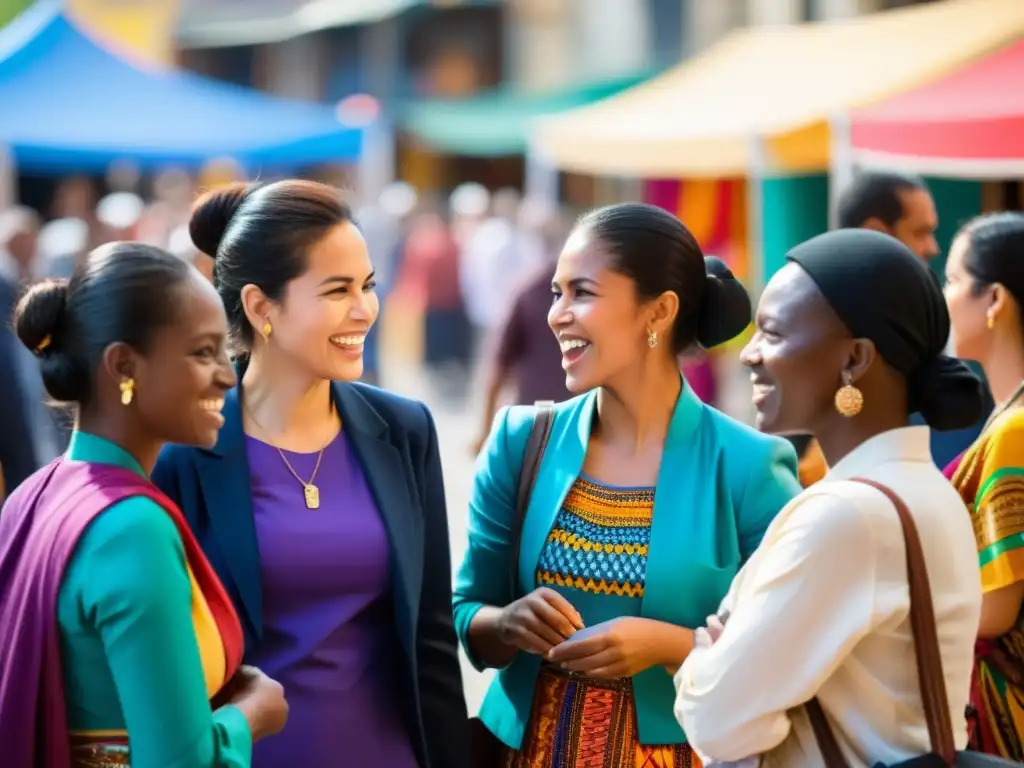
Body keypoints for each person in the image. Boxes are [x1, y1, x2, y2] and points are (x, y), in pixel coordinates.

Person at [454, 202, 802, 766]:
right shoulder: (520, 441)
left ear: (658, 311)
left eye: (582, 293)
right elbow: (468, 611)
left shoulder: (749, 467)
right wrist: (509, 622)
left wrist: (670, 645)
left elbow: (792, 648)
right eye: (555, 292)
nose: (556, 315)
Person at [151, 180, 469, 768]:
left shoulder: (404, 430)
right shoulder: (184, 453)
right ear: (260, 307)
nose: (365, 309)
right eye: (337, 289)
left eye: (368, 285)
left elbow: (430, 637)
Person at [675, 229, 985, 766]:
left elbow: (715, 722)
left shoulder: (848, 516)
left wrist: (707, 655)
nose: (749, 354)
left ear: (854, 359)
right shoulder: (922, 490)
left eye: (771, 333)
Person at [0, 243, 289, 767]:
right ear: (124, 365)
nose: (227, 376)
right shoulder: (132, 527)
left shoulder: (30, 497)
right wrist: (252, 714)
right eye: (203, 353)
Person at [942, 211, 1024, 759]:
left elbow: (996, 608)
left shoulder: (1014, 431)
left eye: (951, 280)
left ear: (994, 300)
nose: (942, 295)